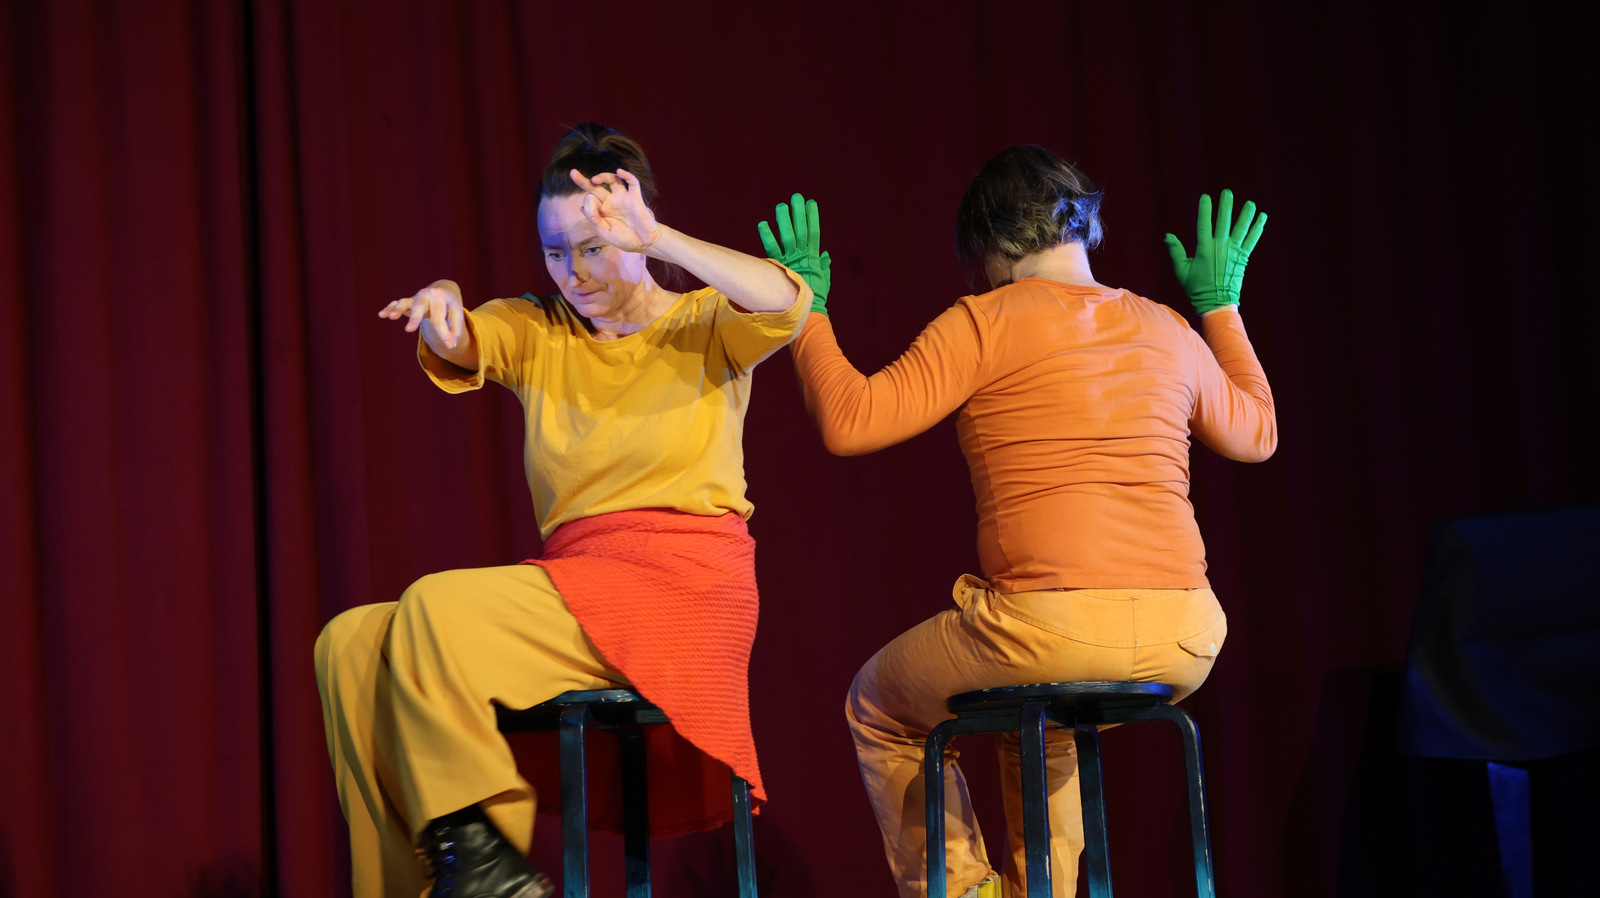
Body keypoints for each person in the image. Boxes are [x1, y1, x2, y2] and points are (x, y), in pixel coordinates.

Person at [761, 147, 1275, 898]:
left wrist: (808, 312)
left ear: (990, 246)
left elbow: (850, 420)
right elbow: (1257, 434)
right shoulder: (1165, 325)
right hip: (1188, 636)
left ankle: (967, 892)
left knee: (878, 705)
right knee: (1043, 714)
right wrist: (1221, 309)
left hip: (1049, 629)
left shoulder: (984, 321)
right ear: (1086, 229)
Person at [315, 123, 811, 898]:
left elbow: (786, 302)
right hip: (579, 585)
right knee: (347, 643)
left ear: (637, 231)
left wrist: (661, 238)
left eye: (594, 247)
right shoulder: (540, 329)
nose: (574, 273)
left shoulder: (706, 321)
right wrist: (444, 306)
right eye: (555, 251)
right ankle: (429, 882)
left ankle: (490, 873)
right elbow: (467, 338)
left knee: (435, 605)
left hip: (684, 585)